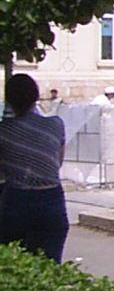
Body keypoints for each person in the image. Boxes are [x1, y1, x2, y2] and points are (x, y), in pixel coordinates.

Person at [0, 74, 69, 262]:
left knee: (13, 261)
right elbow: (57, 161)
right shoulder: (55, 124)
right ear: (36, 97)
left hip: (16, 200)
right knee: (50, 263)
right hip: (52, 199)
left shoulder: (4, 131)